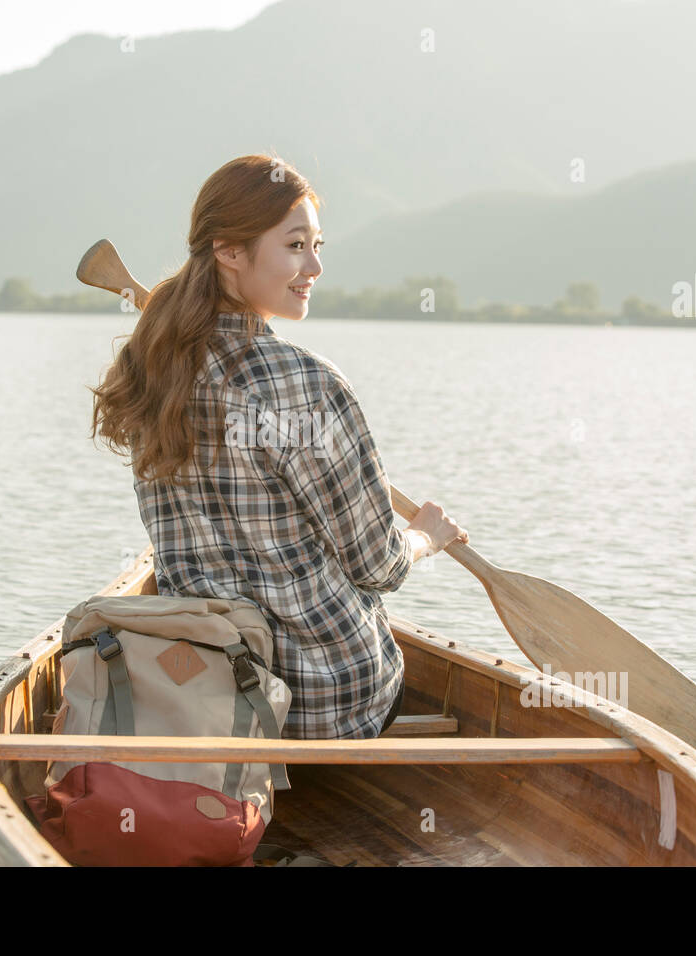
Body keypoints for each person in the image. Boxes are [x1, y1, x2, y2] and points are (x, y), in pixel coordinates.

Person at [89, 154, 467, 739]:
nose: (314, 265)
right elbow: (377, 564)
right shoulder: (309, 385)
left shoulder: (148, 370)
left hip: (209, 697)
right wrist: (425, 537)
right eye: (295, 245)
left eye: (318, 245)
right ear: (229, 252)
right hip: (329, 705)